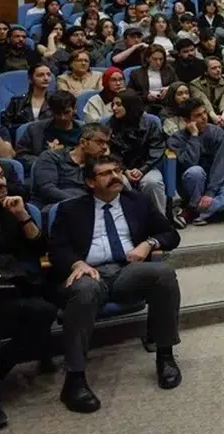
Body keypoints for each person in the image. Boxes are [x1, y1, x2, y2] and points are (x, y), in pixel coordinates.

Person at [49, 155, 182, 413]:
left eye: (117, 171)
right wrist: (77, 264)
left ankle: (165, 355)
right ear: (90, 182)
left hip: (126, 270)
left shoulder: (137, 202)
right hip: (90, 273)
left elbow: (170, 234)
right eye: (106, 173)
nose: (114, 177)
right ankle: (74, 379)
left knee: (164, 274)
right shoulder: (71, 209)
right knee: (85, 290)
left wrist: (148, 244)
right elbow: (57, 249)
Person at [0, 156, 56, 431]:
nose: (0, 182)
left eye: (0, 176)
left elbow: (41, 249)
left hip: (11, 284)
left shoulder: (9, 209)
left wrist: (22, 216)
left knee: (45, 313)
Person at [167, 99, 224, 226]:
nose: (204, 117)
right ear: (187, 120)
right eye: (198, 115)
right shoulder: (176, 139)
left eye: (204, 113)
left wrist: (210, 193)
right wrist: (194, 136)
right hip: (190, 186)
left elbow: (219, 165)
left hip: (213, 184)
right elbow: (189, 163)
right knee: (196, 171)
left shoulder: (217, 133)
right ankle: (203, 211)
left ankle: (192, 212)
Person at [107, 89, 168, 216]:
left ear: (130, 105)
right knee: (120, 182)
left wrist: (142, 169)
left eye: (119, 104)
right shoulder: (110, 124)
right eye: (113, 104)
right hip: (120, 168)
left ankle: (160, 222)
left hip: (147, 166)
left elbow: (157, 148)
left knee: (152, 183)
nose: (114, 108)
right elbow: (110, 152)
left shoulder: (151, 122)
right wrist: (124, 170)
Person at [1, 62, 54, 131]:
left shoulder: (56, 99)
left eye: (48, 75)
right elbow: (5, 124)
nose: (46, 78)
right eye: (40, 75)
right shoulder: (17, 101)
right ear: (30, 79)